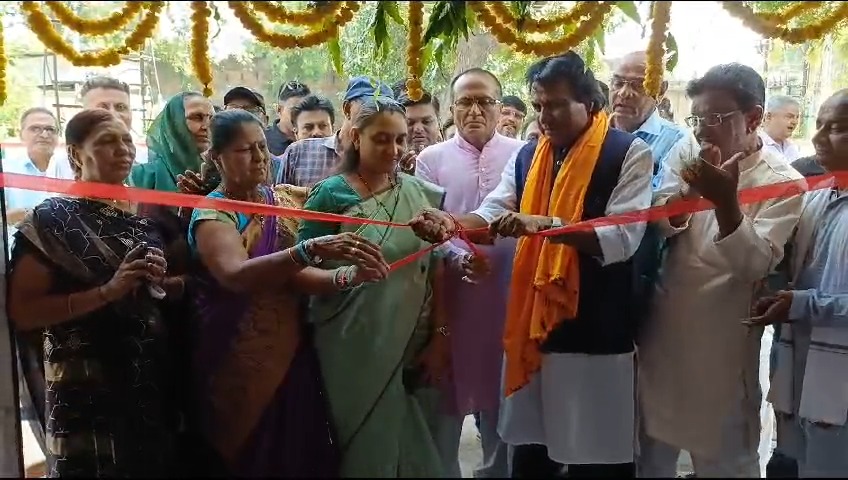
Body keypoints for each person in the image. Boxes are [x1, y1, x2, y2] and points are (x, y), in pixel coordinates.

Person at [410, 51, 654, 478]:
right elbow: (491, 214)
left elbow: (622, 237)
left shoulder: (628, 152)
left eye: (556, 105)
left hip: (595, 329)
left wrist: (547, 226)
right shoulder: (528, 156)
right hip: (533, 328)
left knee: (596, 458)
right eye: (539, 106)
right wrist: (449, 224)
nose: (544, 117)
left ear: (589, 103)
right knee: (531, 455)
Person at [187, 109, 388, 477]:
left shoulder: (280, 200)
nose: (259, 157)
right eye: (244, 150)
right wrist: (307, 250)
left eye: (262, 147)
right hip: (237, 355)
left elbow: (293, 276)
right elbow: (236, 276)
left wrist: (349, 276)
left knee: (297, 448)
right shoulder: (213, 215)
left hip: (290, 348)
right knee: (250, 453)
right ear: (217, 158)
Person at [636, 63, 805, 478]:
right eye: (696, 119)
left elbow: (754, 264)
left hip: (722, 349)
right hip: (664, 335)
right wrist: (690, 193)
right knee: (650, 459)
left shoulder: (784, 182)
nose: (702, 130)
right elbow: (657, 220)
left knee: (726, 464)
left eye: (716, 118)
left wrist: (726, 202)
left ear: (753, 117)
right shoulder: (687, 153)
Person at [8, 109, 187, 477]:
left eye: (127, 140)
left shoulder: (145, 218)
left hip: (147, 374)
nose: (123, 149)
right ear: (76, 155)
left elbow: (165, 291)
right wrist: (108, 291)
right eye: (107, 141)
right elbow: (24, 311)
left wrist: (160, 282)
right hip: (84, 380)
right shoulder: (51, 219)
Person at [298, 97, 449, 477]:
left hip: (411, 340)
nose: (394, 149)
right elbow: (297, 269)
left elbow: (437, 268)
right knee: (361, 448)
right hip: (349, 345)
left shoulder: (420, 194)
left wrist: (440, 337)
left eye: (400, 139)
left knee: (411, 446)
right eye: (381, 139)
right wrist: (345, 276)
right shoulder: (330, 194)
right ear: (355, 137)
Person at [415, 67, 524, 479]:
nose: (475, 110)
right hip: (452, 299)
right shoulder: (431, 160)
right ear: (451, 108)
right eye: (465, 102)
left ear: (500, 107)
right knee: (446, 406)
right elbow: (427, 230)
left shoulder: (524, 154)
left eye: (485, 101)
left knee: (505, 410)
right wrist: (459, 258)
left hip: (509, 297)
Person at [751, 88, 848, 479]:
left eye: (836, 128)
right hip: (801, 373)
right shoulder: (817, 196)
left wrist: (803, 303)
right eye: (819, 125)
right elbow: (792, 270)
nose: (818, 137)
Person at [276, 76, 394, 188]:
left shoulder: (386, 160)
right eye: (370, 108)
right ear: (347, 109)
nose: (377, 117)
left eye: (383, 111)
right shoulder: (299, 153)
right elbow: (279, 198)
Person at [609, 51, 697, 189]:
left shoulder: (679, 142)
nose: (623, 93)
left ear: (660, 91)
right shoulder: (593, 132)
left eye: (639, 85)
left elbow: (663, 200)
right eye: (618, 83)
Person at [3, 108, 73, 231]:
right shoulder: (6, 170)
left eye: (50, 129)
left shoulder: (74, 169)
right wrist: (11, 217)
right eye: (35, 129)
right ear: (21, 134)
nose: (44, 135)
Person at [78, 76, 149, 163]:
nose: (113, 114)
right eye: (102, 107)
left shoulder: (149, 162)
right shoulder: (65, 165)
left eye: (121, 107)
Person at [398, 88, 442, 174]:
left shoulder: (455, 160)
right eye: (409, 123)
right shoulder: (386, 170)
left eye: (426, 122)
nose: (418, 129)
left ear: (439, 124)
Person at [265, 80, 311, 156]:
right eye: (295, 110)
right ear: (279, 110)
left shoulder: (314, 137)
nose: (301, 115)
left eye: (306, 110)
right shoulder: (264, 140)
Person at [761, 95, 802, 162]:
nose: (795, 122)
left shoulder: (793, 148)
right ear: (768, 117)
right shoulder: (756, 148)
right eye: (789, 116)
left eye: (797, 117)